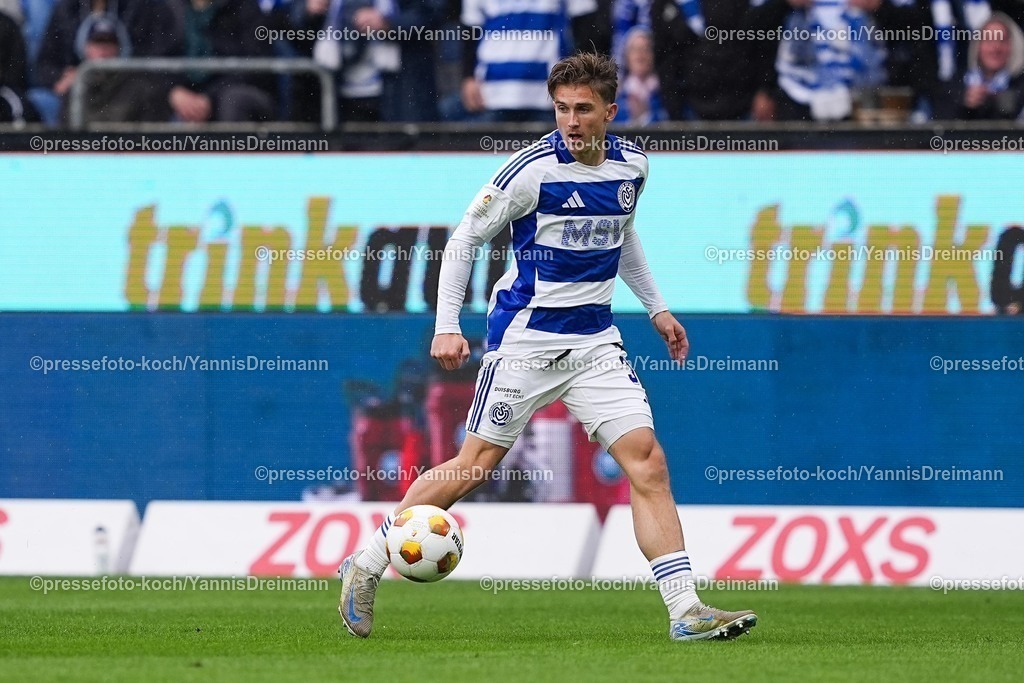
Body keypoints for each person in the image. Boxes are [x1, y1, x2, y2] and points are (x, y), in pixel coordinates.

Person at [338, 52, 758, 643]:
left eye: (584, 109)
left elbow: (623, 235)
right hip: (527, 344)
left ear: (611, 111)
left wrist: (657, 307)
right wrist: (446, 325)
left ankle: (685, 609)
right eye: (562, 109)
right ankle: (368, 563)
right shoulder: (528, 172)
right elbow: (462, 242)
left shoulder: (633, 167)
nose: (571, 121)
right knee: (473, 467)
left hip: (595, 343)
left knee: (648, 462)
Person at [933, 12, 1024, 119]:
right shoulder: (955, 86)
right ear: (977, 45)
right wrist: (965, 105)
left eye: (1002, 41)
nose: (995, 48)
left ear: (1013, 46)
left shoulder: (1020, 87)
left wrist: (996, 101)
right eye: (989, 41)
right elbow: (941, 127)